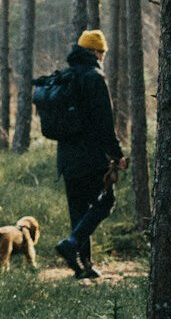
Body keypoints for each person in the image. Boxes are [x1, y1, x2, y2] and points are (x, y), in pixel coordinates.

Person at [53, 29, 127, 279]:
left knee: (79, 211)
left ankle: (83, 266)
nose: (103, 57)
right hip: (91, 158)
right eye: (103, 52)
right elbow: (105, 123)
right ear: (96, 52)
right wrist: (117, 156)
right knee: (105, 203)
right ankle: (72, 246)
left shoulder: (66, 76)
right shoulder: (95, 78)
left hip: (66, 159)